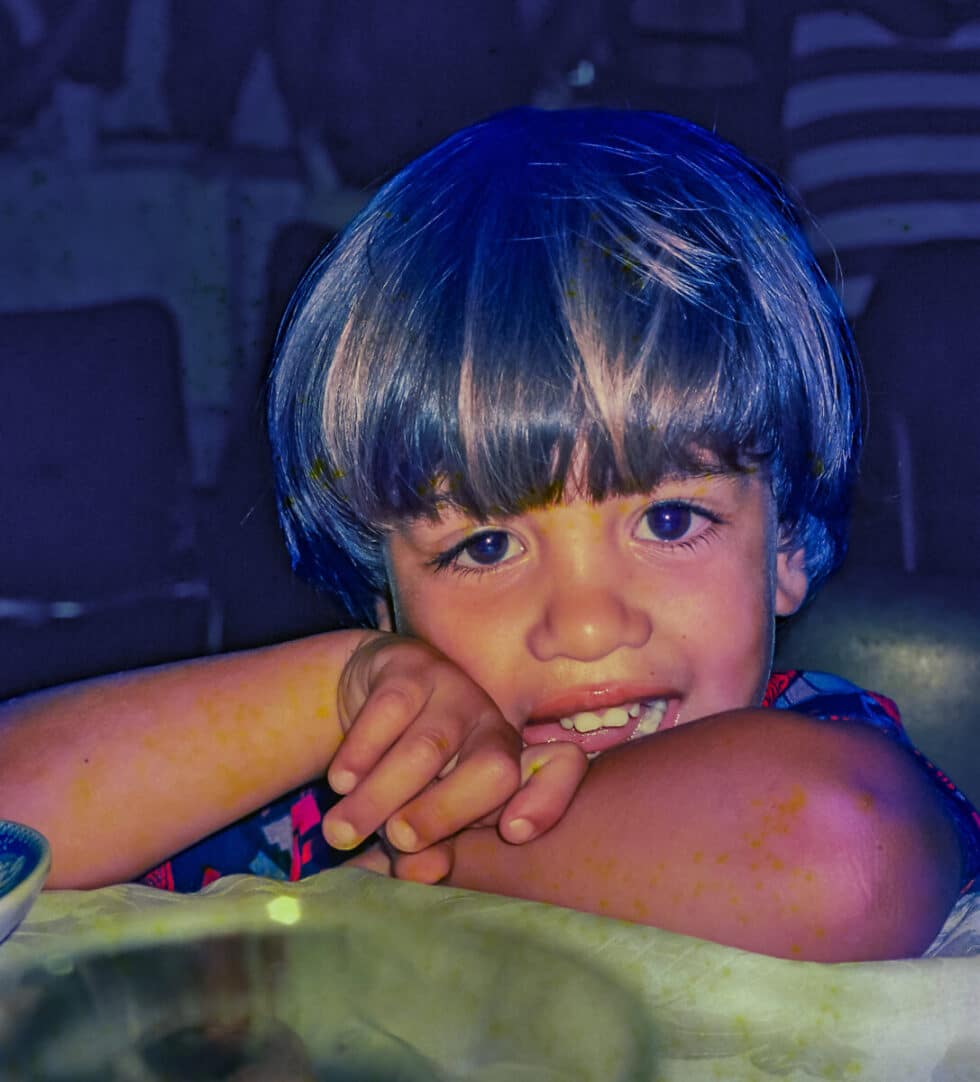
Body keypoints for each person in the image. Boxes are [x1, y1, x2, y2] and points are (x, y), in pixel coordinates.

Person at [1, 108, 977, 963]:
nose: (586, 623)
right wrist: (334, 687)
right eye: (483, 546)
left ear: (787, 547)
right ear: (384, 592)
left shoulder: (817, 736)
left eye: (668, 518)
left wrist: (409, 854)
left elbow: (838, 856)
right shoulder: (331, 790)